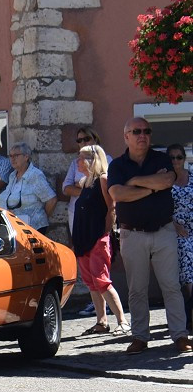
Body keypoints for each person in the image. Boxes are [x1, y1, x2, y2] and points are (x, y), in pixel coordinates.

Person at [108, 118, 189, 354]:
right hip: (132, 234)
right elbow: (118, 194)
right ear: (126, 136)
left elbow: (167, 180)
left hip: (164, 231)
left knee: (171, 286)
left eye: (146, 131)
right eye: (136, 131)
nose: (142, 135)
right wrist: (151, 187)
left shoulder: (162, 159)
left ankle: (180, 336)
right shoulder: (117, 166)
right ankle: (140, 337)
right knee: (137, 289)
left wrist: (134, 182)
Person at [66, 144, 128, 336]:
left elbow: (112, 209)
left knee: (102, 281)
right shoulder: (85, 182)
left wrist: (105, 234)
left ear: (93, 159)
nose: (78, 161)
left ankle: (123, 321)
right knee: (91, 282)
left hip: (97, 237)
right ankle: (101, 322)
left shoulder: (103, 179)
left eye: (82, 157)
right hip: (83, 238)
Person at [0, 143, 57, 235]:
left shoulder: (35, 175)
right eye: (10, 156)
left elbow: (52, 200)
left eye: (16, 155)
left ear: (26, 157)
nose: (12, 159)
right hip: (15, 227)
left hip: (32, 229)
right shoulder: (12, 176)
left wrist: (39, 218)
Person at [166, 144, 193, 332]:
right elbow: (159, 208)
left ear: (184, 159)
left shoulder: (192, 177)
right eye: (172, 158)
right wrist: (174, 225)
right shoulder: (164, 180)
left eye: (179, 157)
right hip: (176, 231)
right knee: (187, 262)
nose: (176, 161)